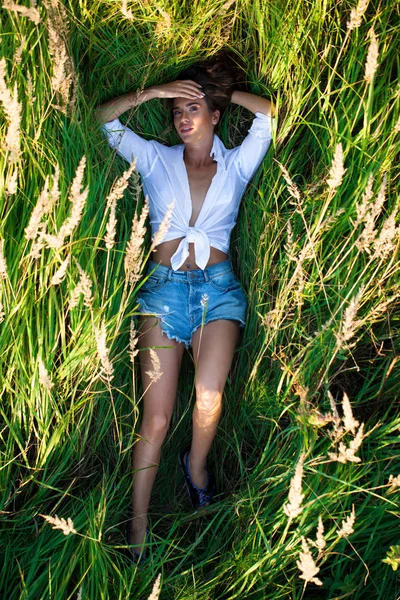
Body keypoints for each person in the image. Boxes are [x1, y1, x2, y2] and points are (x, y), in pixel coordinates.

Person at [96, 56, 274, 562]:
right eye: (177, 109)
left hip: (217, 293)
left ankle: (195, 468)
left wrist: (216, 92)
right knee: (154, 419)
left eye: (193, 107)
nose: (182, 116)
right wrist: (153, 92)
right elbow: (102, 121)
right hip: (163, 291)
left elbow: (268, 115)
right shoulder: (155, 158)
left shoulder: (237, 165)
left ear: (214, 114)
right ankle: (137, 527)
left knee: (210, 395)